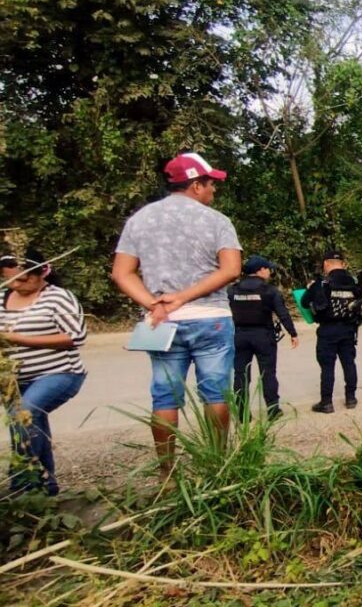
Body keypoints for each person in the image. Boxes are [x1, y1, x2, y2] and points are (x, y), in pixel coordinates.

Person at [111, 152, 241, 478]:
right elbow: (231, 270)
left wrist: (155, 304)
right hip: (209, 316)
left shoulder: (139, 220)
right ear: (196, 185)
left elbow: (122, 273)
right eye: (211, 184)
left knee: (165, 398)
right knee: (215, 392)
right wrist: (182, 297)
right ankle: (216, 465)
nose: (214, 191)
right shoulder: (216, 221)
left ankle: (167, 474)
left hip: (163, 323)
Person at [1, 250, 88, 496]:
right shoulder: (1, 297)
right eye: (9, 280)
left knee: (25, 414)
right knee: (27, 427)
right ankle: (45, 487)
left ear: (42, 273)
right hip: (13, 380)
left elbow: (76, 337)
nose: (16, 285)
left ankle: (23, 484)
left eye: (22, 279)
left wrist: (19, 339)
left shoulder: (58, 298)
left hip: (60, 373)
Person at [228, 255, 299, 422]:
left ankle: (242, 413)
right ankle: (273, 410)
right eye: (268, 268)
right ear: (260, 270)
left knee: (241, 375)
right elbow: (282, 313)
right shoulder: (269, 290)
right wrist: (292, 333)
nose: (269, 271)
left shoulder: (233, 290)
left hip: (239, 335)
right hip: (263, 335)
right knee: (268, 374)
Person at [300, 250, 362, 413]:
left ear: (326, 264)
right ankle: (351, 398)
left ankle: (326, 402)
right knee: (349, 363)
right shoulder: (354, 281)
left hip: (328, 330)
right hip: (349, 329)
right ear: (342, 264)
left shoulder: (321, 283)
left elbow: (305, 303)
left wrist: (310, 289)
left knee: (327, 367)